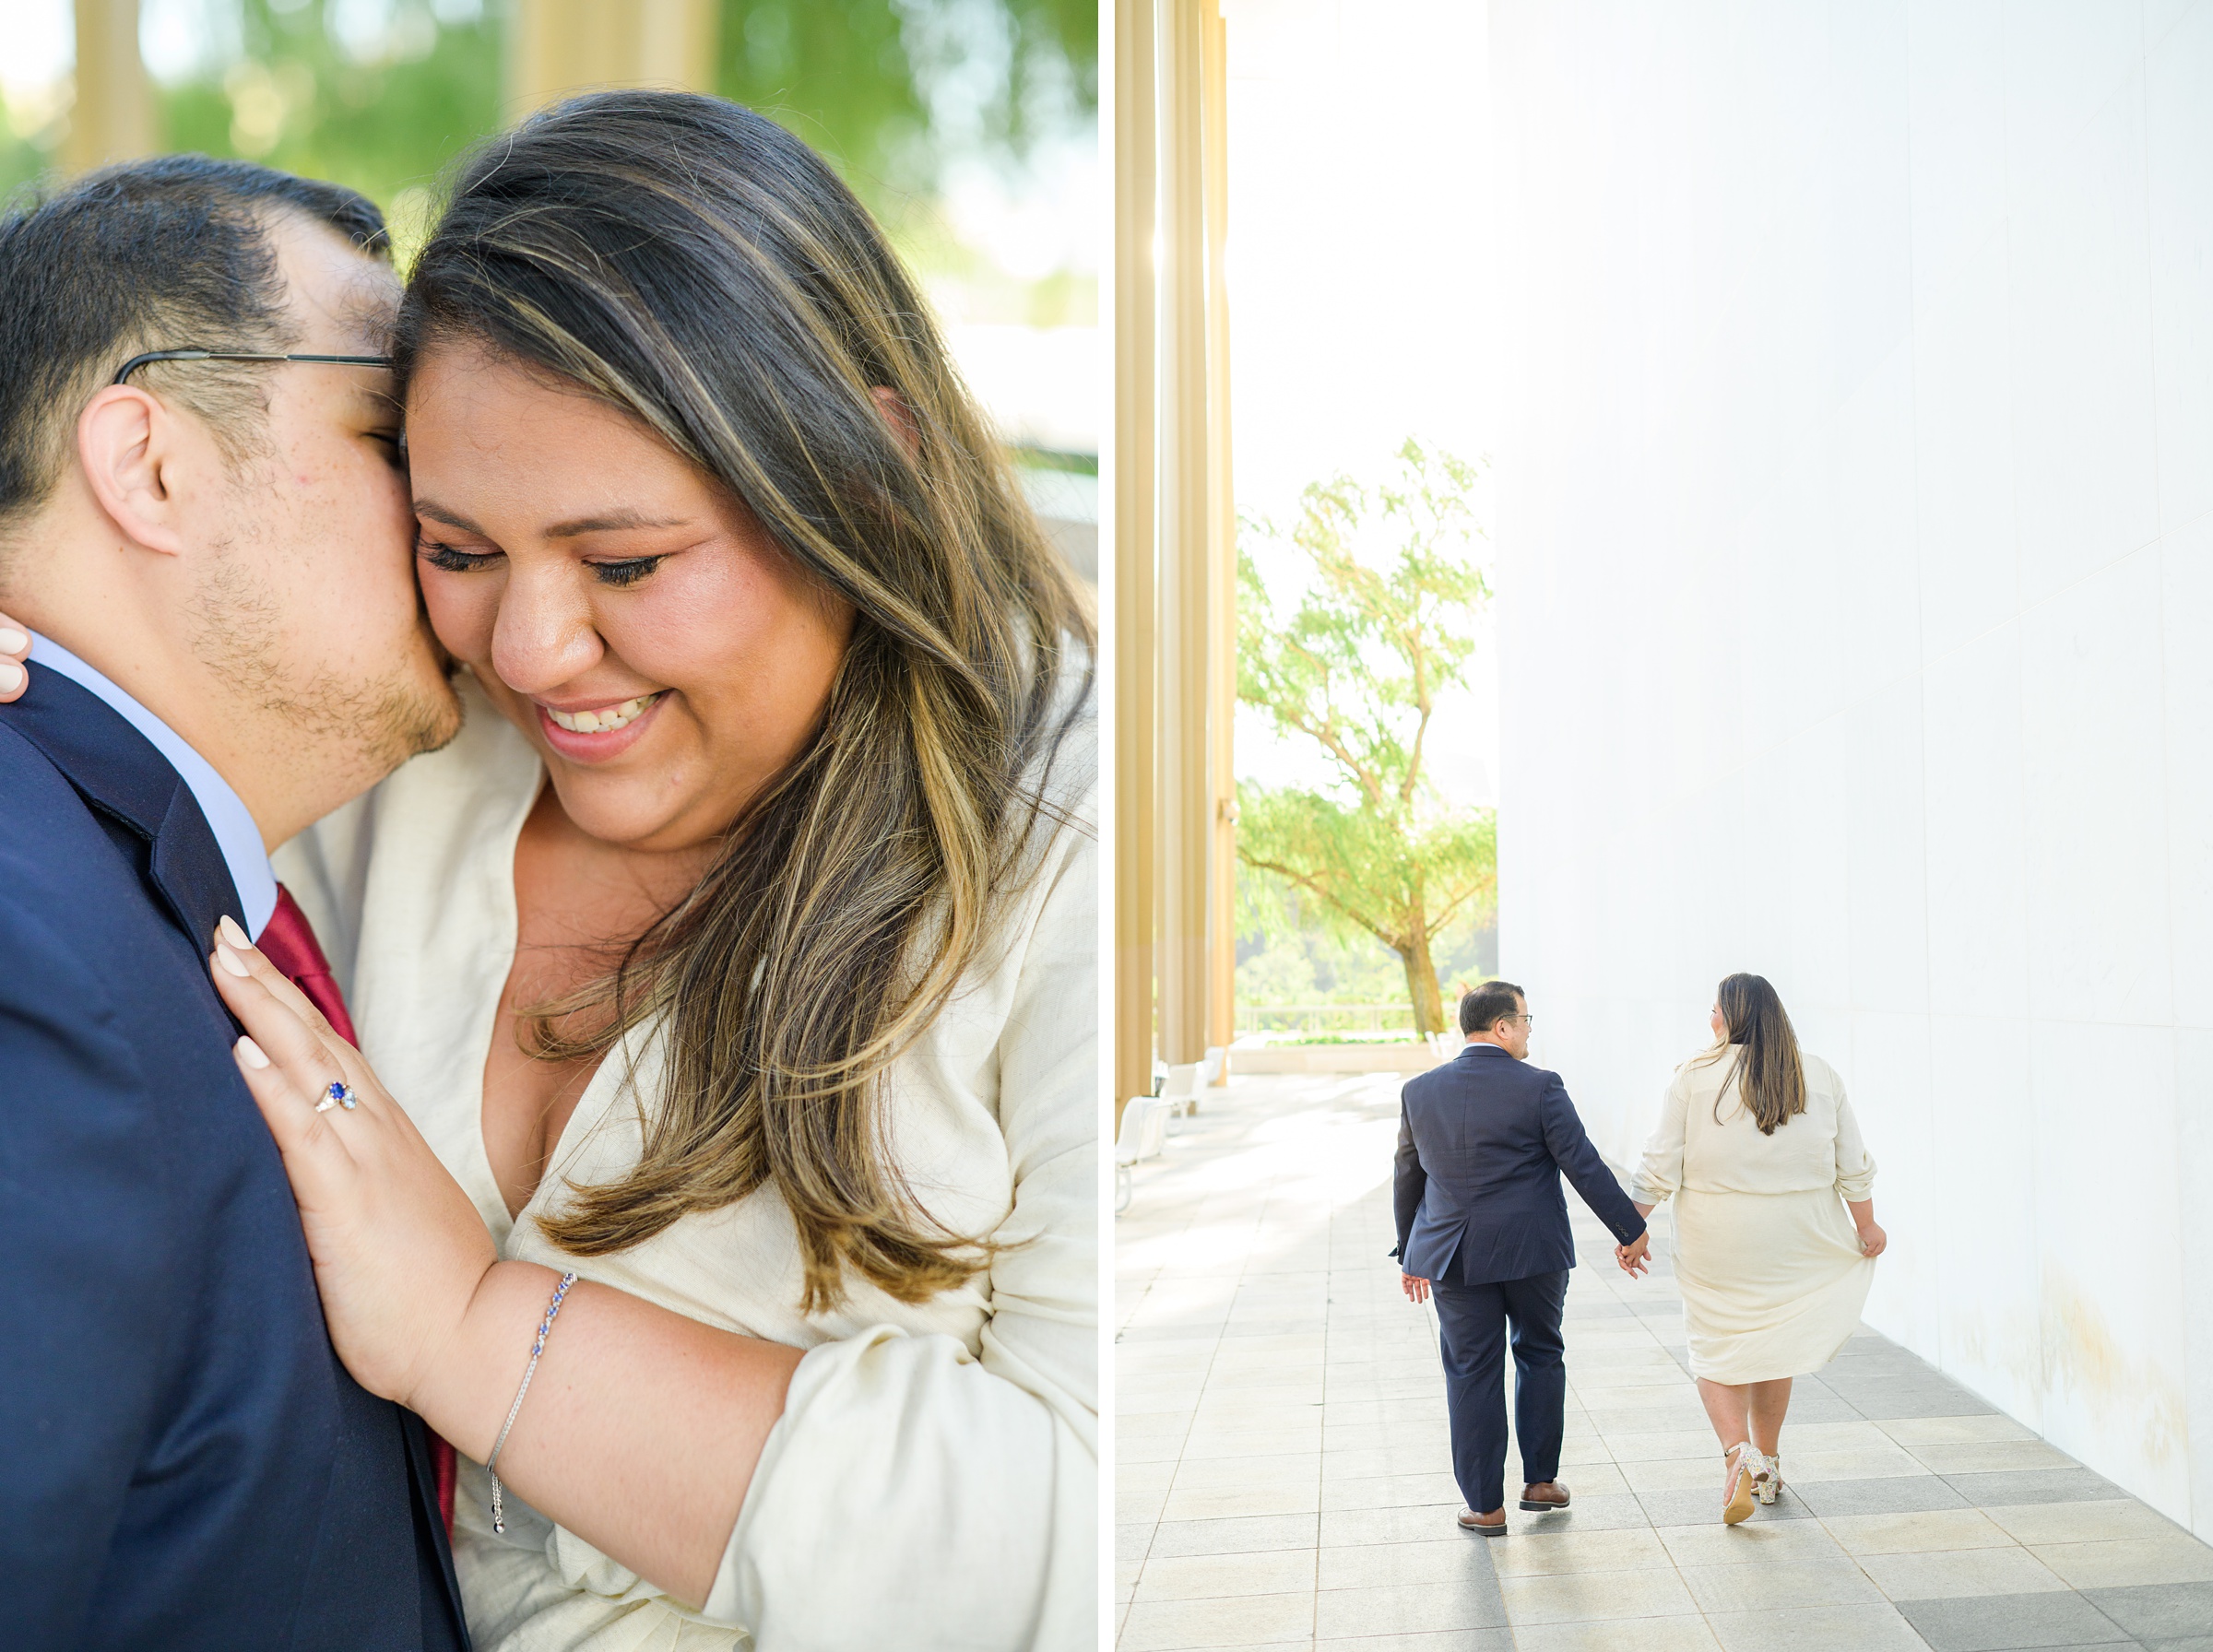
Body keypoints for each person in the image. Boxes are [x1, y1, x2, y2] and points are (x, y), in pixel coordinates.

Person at [4, 91, 1097, 1649]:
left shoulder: (1068, 831)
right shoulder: (395, 755)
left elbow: (1089, 1527)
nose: (528, 649)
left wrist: (478, 1332)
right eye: (453, 538)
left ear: (860, 472)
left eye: (627, 563)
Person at [0, 159, 467, 1646]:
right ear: (149, 466)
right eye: (394, 428)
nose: (460, 497)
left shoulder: (139, 888)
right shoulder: (25, 937)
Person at [1625, 973, 1885, 1524]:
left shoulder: (1694, 1077)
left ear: (1734, 1016)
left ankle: (1736, 1454)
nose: (1710, 1019)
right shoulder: (1817, 1074)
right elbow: (1852, 1164)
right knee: (1775, 1342)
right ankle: (1766, 1460)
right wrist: (1867, 1227)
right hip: (1797, 1237)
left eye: (1715, 1010)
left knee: (1718, 1341)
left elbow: (1660, 1163)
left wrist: (1632, 1226)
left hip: (1717, 1238)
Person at [1394, 980, 1650, 1535]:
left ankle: (1485, 1507)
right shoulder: (1540, 1087)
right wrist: (1631, 1229)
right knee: (1539, 1352)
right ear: (1503, 1027)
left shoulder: (1419, 1091)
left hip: (1453, 1256)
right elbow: (1583, 1164)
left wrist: (1411, 1253)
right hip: (1533, 1251)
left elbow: (1408, 1178)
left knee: (1470, 1372)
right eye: (1527, 1020)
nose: (1531, 1031)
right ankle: (1540, 1482)